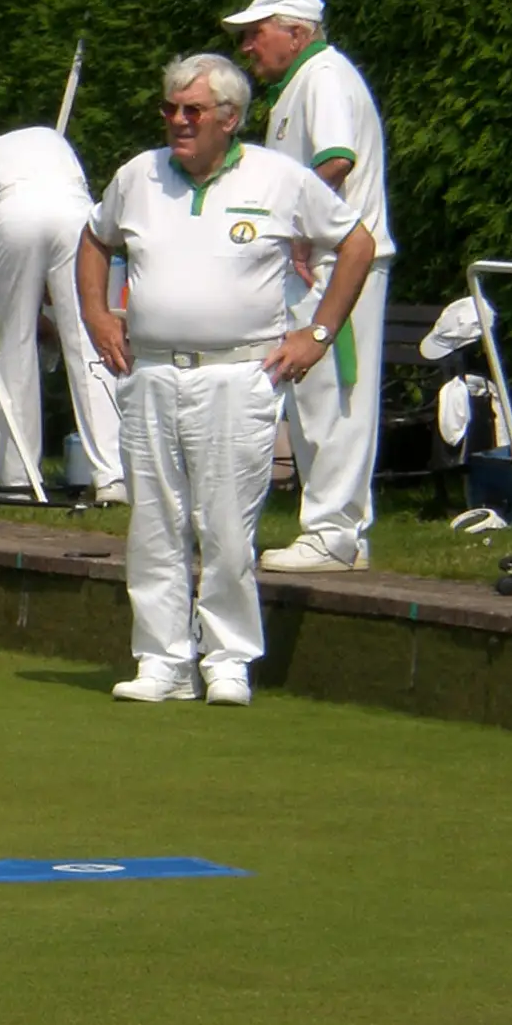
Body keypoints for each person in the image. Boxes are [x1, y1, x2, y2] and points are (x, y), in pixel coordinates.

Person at [76, 53, 374, 706]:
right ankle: (162, 660)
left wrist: (317, 333)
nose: (178, 121)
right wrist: (96, 314)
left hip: (240, 374)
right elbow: (95, 239)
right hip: (153, 371)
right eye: (170, 109)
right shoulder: (138, 176)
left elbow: (356, 243)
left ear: (230, 118)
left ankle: (228, 659)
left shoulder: (280, 178)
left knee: (227, 524)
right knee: (153, 522)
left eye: (193, 111)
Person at [223, 0, 396, 573]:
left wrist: (300, 226)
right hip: (320, 262)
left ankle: (334, 535)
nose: (247, 47)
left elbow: (336, 158)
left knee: (333, 399)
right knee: (314, 398)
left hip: (336, 264)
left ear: (296, 33)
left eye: (256, 33)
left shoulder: (322, 76)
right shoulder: (306, 80)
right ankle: (338, 532)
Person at [0, 126, 124, 501]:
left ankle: (18, 477)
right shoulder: (53, 141)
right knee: (88, 342)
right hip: (75, 212)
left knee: (16, 346)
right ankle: (112, 477)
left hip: (13, 213)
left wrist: (33, 312)